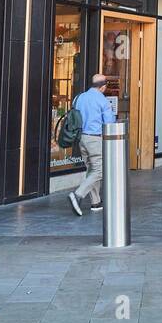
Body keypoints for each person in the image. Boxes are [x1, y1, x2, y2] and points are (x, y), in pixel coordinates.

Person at [67, 73, 116, 216]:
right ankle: (77, 195)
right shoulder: (102, 100)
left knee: (91, 170)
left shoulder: (79, 97)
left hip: (81, 138)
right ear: (102, 87)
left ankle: (96, 202)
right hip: (95, 139)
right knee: (99, 171)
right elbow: (110, 122)